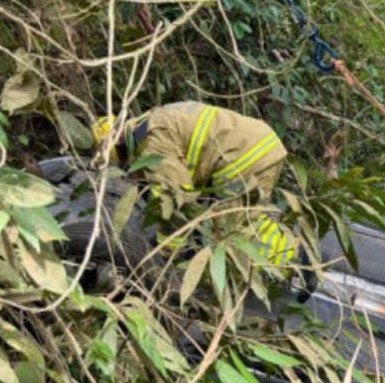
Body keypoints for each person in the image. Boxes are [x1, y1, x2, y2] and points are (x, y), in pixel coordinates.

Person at [92, 101, 294, 265]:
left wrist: (167, 250)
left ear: (117, 146)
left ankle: (290, 263)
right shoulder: (153, 120)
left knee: (227, 233)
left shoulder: (151, 141)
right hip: (257, 145)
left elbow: (176, 197)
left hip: (244, 156)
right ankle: (290, 258)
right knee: (246, 219)